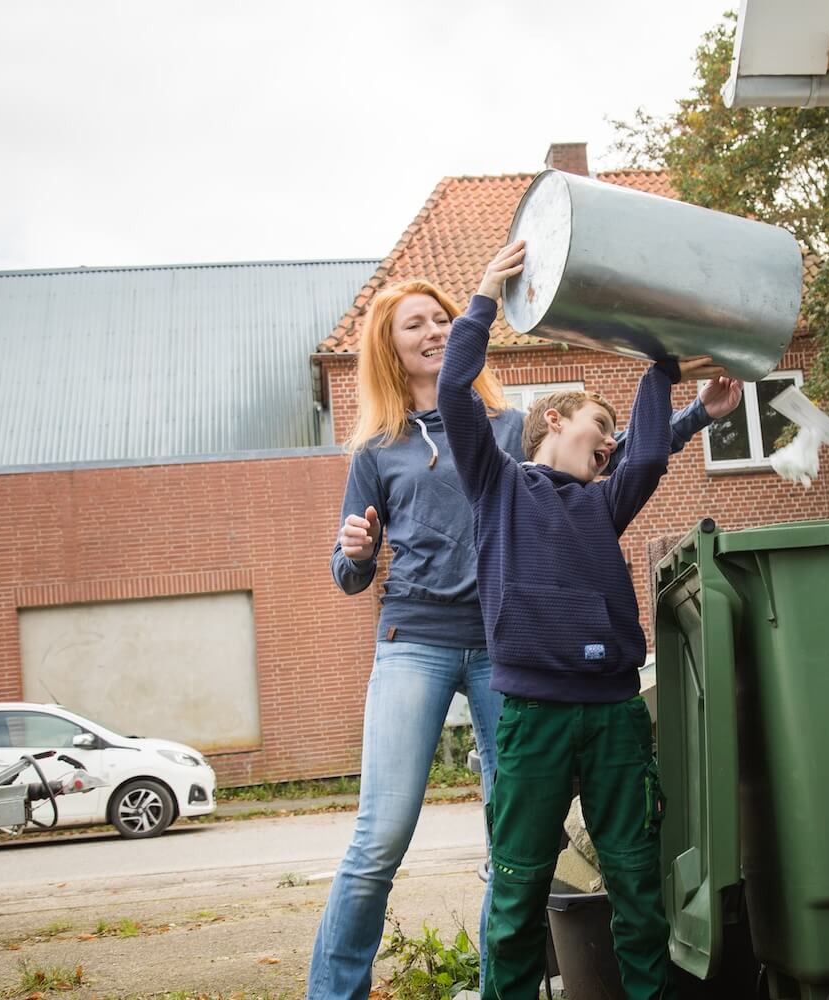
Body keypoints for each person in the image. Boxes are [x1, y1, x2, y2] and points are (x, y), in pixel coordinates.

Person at [307, 258, 742, 1000]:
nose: (436, 330)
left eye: (443, 319)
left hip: (513, 654)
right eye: (418, 323)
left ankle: (497, 984)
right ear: (389, 344)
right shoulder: (393, 452)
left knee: (518, 843)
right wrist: (356, 552)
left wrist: (689, 405)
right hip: (422, 637)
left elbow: (624, 453)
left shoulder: (515, 433)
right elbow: (351, 573)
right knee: (385, 837)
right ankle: (334, 991)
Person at [437, 240, 684, 1000]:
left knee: (637, 896)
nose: (609, 441)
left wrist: (663, 373)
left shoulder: (604, 502)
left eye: (613, 432)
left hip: (612, 716)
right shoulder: (499, 484)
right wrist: (483, 298)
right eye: (596, 425)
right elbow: (453, 391)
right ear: (554, 417)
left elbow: (645, 456)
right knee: (515, 900)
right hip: (535, 716)